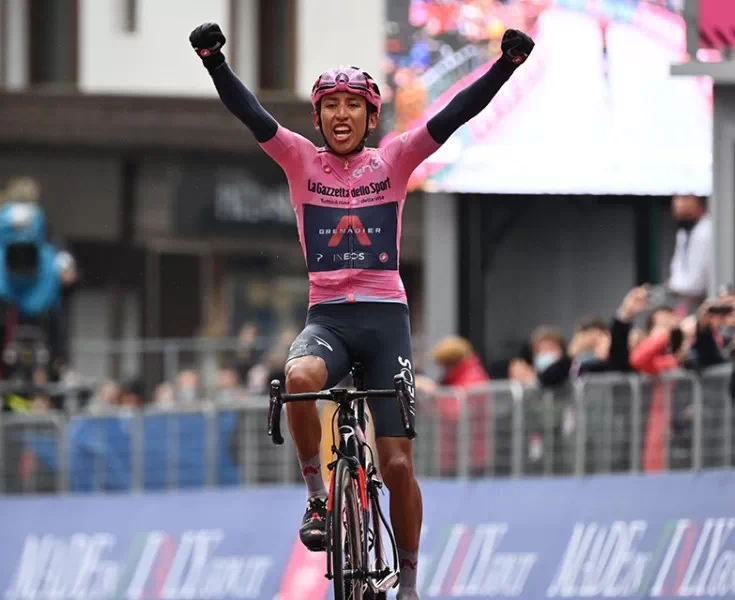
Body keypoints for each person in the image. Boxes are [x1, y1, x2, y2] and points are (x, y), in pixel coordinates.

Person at [189, 20, 534, 599]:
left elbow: (453, 115)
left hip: (385, 323)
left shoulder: (395, 160)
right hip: (328, 319)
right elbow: (250, 114)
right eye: (331, 106)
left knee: (397, 465)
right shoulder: (299, 160)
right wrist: (214, 61)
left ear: (371, 117)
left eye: (354, 105)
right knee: (298, 377)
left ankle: (411, 581)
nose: (342, 115)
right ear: (318, 117)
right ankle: (318, 500)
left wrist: (505, 65)